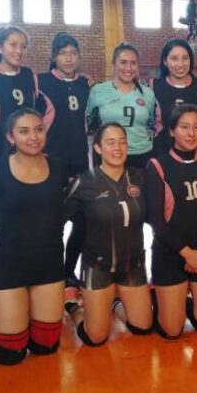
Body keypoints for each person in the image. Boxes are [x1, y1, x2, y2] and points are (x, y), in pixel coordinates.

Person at [0, 109, 68, 365]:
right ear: (10, 136)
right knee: (10, 353)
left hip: (48, 264)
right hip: (7, 266)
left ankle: (19, 316)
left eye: (39, 129)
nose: (33, 137)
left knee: (46, 346)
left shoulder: (59, 168)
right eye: (23, 131)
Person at [64, 123, 153, 345]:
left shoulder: (140, 177)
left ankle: (114, 303)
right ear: (97, 148)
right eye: (110, 142)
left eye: (122, 141)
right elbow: (56, 221)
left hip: (133, 266)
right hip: (98, 267)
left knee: (143, 327)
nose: (118, 147)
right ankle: (73, 308)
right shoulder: (84, 182)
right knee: (96, 337)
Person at [145, 106, 197, 338]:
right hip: (170, 253)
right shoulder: (157, 165)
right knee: (172, 331)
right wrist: (187, 253)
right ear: (171, 131)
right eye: (184, 127)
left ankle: (185, 304)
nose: (191, 133)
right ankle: (158, 298)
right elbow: (157, 221)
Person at [0, 26, 52, 163]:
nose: (19, 51)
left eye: (23, 47)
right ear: (0, 48)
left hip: (26, 152)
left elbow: (44, 110)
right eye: (13, 45)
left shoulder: (29, 75)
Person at [87, 43, 157, 169]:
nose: (129, 68)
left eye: (133, 63)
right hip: (110, 155)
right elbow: (89, 126)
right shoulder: (98, 91)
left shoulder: (148, 93)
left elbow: (151, 125)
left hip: (142, 155)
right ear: (113, 64)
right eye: (123, 62)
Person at [39, 32, 91, 180]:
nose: (69, 59)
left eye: (73, 53)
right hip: (50, 156)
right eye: (62, 53)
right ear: (54, 57)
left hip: (79, 158)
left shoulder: (85, 84)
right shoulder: (40, 82)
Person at [151, 38, 197, 156]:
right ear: (165, 61)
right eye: (174, 58)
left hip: (195, 153)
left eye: (185, 58)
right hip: (161, 152)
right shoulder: (153, 86)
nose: (180, 64)